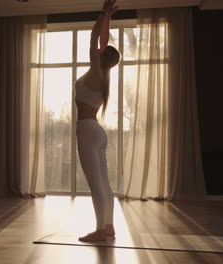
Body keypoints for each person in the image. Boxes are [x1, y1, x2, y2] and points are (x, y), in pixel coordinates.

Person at [75, 0, 121, 242]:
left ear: (102, 58)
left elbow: (95, 38)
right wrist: (108, 16)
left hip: (87, 131)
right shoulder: (104, 76)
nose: (100, 49)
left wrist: (104, 12)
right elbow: (102, 41)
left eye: (102, 51)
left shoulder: (96, 72)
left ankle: (101, 231)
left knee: (96, 185)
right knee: (104, 182)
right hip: (97, 132)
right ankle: (109, 227)